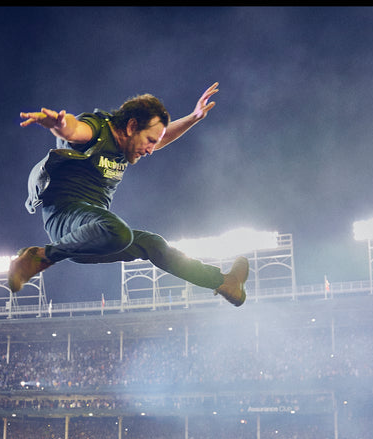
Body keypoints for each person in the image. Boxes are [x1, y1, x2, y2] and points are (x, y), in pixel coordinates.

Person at [14, 83, 250, 306]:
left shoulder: (129, 144)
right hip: (66, 218)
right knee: (117, 231)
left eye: (153, 143)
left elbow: (162, 138)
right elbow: (75, 130)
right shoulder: (99, 129)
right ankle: (40, 257)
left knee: (153, 244)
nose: (150, 150)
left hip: (92, 235)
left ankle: (223, 282)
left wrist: (194, 117)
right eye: (148, 141)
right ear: (131, 127)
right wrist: (58, 124)